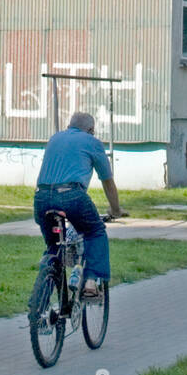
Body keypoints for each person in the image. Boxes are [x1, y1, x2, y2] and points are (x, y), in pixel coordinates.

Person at [33, 111, 126, 298]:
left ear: (69, 126)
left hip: (41, 198)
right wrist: (116, 210)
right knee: (95, 232)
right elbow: (107, 181)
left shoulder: (55, 138)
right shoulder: (92, 143)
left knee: (54, 246)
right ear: (91, 130)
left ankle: (43, 292)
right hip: (72, 196)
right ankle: (91, 282)